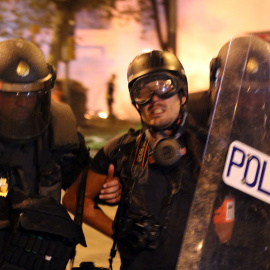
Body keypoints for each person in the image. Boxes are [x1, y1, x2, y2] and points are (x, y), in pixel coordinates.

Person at [63, 50, 204, 269]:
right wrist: (119, 232)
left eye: (164, 87)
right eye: (143, 92)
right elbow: (74, 199)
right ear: (135, 102)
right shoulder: (121, 149)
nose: (154, 99)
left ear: (182, 94)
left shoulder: (211, 147)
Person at [0, 38, 120, 270]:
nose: (23, 103)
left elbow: (81, 189)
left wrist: (109, 190)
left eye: (30, 94)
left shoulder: (59, 129)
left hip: (38, 257)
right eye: (12, 95)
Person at [194, 35, 270, 269]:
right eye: (239, 91)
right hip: (202, 244)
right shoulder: (194, 115)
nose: (248, 101)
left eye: (258, 93)